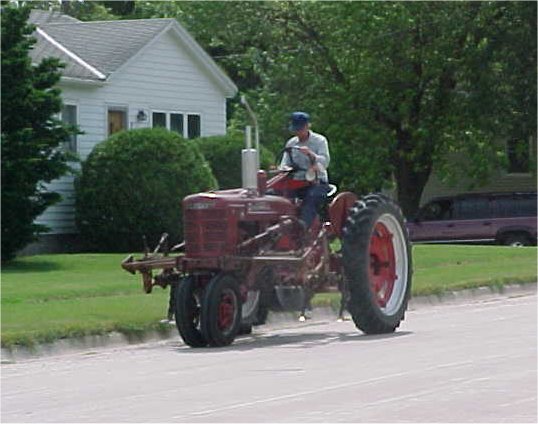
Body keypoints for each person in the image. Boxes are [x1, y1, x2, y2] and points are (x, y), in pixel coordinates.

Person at [279, 111, 330, 228]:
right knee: (276, 195)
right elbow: (284, 164)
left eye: (300, 129)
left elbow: (325, 162)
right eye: (296, 129)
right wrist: (285, 169)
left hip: (317, 182)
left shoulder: (320, 141)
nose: (298, 132)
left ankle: (303, 227)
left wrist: (311, 155)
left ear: (307, 126)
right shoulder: (291, 143)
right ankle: (281, 225)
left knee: (312, 197)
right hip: (296, 183)